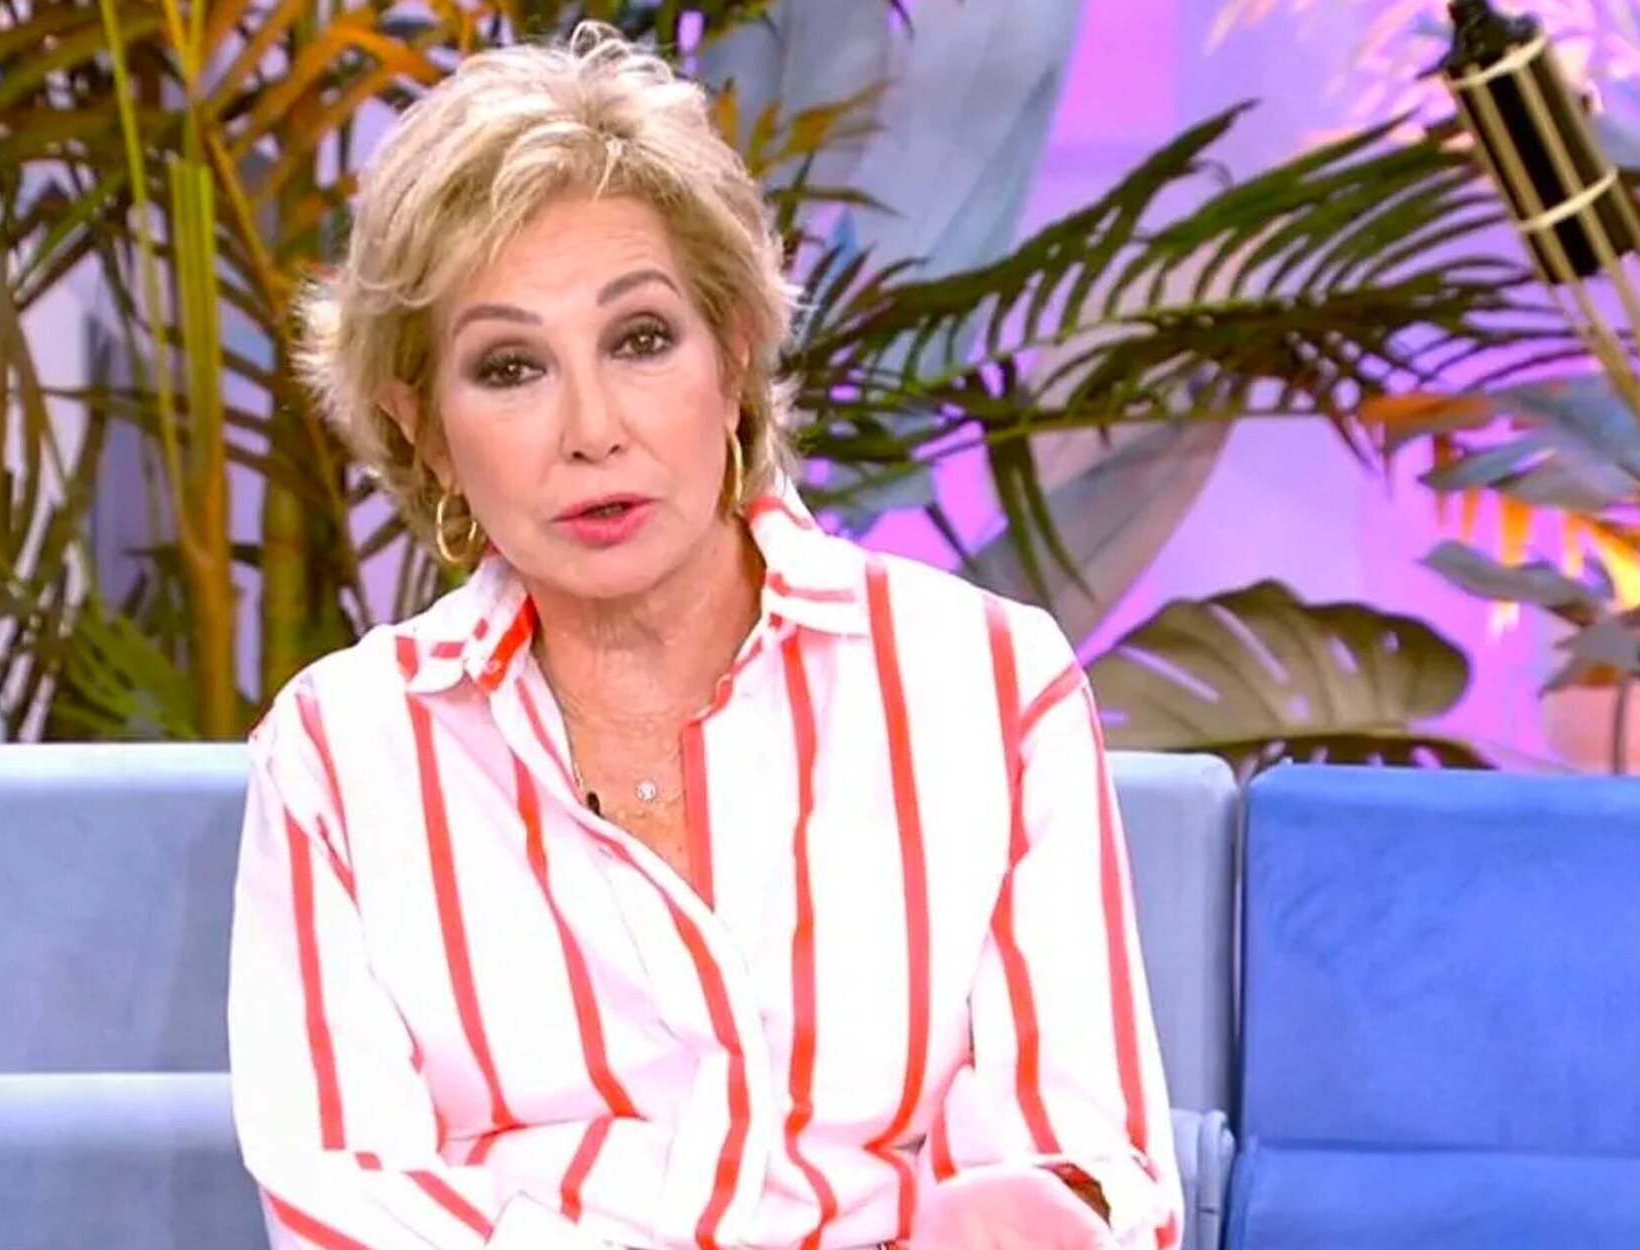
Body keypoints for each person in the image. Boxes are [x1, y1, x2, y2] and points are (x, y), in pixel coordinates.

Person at [227, 23, 1182, 1250]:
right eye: (509, 366)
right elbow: (342, 1191)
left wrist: (1053, 1210)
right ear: (421, 427)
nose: (591, 429)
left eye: (639, 339)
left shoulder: (988, 685)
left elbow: (1088, 1154)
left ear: (731, 355)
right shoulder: (339, 751)